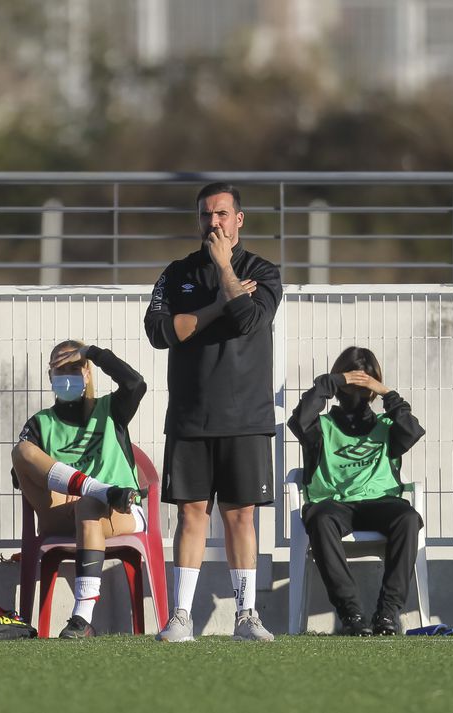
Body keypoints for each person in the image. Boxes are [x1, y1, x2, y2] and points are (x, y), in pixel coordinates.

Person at [144, 182, 283, 642]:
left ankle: (246, 616)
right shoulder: (177, 272)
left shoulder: (263, 270)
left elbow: (247, 320)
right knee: (191, 515)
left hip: (246, 416)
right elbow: (161, 331)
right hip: (190, 416)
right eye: (206, 215)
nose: (214, 223)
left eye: (222, 214)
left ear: (239, 219)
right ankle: (180, 616)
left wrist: (225, 268)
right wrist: (216, 305)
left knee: (241, 516)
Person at [11, 340, 145, 638]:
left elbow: (136, 383)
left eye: (75, 367)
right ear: (49, 376)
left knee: (88, 506)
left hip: (121, 508)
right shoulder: (40, 422)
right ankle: (98, 489)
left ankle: (81, 618)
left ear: (87, 373)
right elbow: (19, 475)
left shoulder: (112, 408)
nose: (66, 375)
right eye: (59, 369)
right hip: (62, 511)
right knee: (21, 451)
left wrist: (93, 354)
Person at [288, 347, 425, 636]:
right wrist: (332, 381)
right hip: (333, 505)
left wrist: (385, 391)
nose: (357, 390)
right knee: (320, 520)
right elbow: (300, 419)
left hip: (380, 503)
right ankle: (351, 613)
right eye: (352, 382)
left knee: (408, 518)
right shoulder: (321, 427)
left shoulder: (387, 426)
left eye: (365, 384)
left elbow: (411, 430)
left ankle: (387, 614)